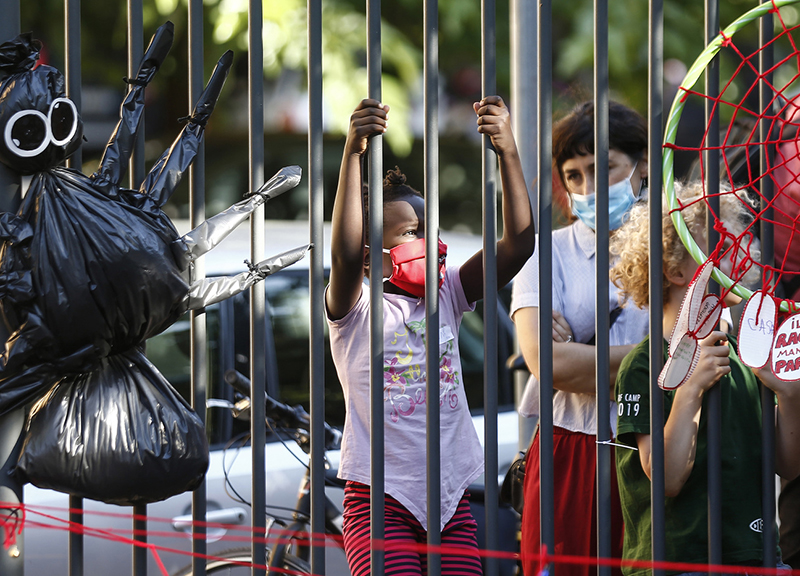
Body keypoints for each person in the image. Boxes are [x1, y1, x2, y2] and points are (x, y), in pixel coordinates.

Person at [325, 96, 534, 576]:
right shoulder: (354, 309)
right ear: (368, 254)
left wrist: (507, 152)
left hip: (448, 497)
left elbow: (519, 244)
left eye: (431, 230)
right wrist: (353, 151)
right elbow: (341, 255)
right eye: (410, 233)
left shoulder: (449, 294)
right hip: (381, 500)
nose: (429, 243)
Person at [610, 181, 800, 575]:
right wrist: (691, 388)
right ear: (676, 269)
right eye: (725, 250)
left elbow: (789, 464)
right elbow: (666, 478)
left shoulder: (746, 355)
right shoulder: (644, 364)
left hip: (753, 557)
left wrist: (791, 397)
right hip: (675, 562)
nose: (744, 259)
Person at [509, 100, 649, 576]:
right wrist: (656, 362)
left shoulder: (680, 246)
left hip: (659, 449)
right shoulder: (544, 253)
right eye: (573, 175)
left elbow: (697, 361)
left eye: (603, 167)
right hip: (570, 450)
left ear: (642, 164)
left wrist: (584, 363)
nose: (589, 187)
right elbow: (548, 366)